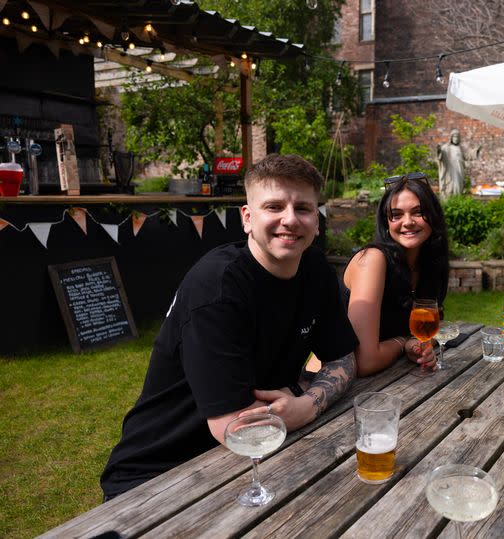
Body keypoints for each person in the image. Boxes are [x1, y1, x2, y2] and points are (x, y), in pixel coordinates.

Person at [100, 154, 358, 500]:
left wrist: (307, 401)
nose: (290, 219)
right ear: (248, 218)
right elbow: (235, 427)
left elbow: (343, 357)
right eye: (274, 206)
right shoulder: (217, 289)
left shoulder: (314, 269)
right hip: (159, 477)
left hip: (244, 468)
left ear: (317, 220)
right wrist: (304, 400)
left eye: (303, 208)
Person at [342, 172, 450, 376]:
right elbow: (365, 361)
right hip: (327, 382)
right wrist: (403, 342)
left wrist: (417, 343)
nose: (407, 222)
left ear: (433, 216)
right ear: (386, 222)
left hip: (388, 381)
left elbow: (433, 324)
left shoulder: (428, 264)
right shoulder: (373, 260)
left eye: (418, 212)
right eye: (397, 214)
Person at [436, 129, 480, 199]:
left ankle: (457, 200)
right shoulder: (446, 147)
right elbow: (440, 157)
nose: (456, 139)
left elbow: (467, 156)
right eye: (454, 137)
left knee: (459, 187)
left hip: (459, 171)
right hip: (450, 171)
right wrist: (439, 151)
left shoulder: (460, 148)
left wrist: (476, 151)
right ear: (451, 138)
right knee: (450, 186)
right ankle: (449, 200)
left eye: (457, 137)